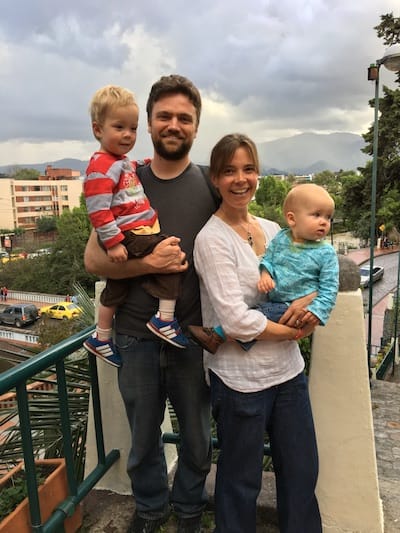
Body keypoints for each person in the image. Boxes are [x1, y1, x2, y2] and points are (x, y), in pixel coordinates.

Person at [84, 75, 223, 533]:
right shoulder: (126, 176)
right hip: (134, 335)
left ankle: (187, 512)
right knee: (143, 441)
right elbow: (92, 259)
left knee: (199, 439)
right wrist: (150, 265)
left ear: (196, 127)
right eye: (164, 116)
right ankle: (150, 511)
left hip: (191, 337)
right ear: (148, 122)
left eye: (184, 117)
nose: (174, 124)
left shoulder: (209, 185)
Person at [193, 133, 323, 533]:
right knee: (239, 484)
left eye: (248, 169)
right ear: (215, 178)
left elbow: (311, 277)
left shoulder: (273, 228)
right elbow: (235, 320)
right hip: (240, 383)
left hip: (288, 376)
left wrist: (312, 309)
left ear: (258, 175)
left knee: (302, 474)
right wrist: (288, 331)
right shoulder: (211, 240)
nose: (240, 179)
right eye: (229, 170)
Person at [83, 85, 189, 369]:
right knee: (171, 255)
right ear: (98, 129)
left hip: (129, 234)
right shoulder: (100, 167)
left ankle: (101, 337)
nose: (128, 135)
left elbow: (128, 169)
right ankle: (164, 318)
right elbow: (98, 209)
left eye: (132, 128)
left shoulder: (118, 162)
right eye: (119, 127)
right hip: (131, 234)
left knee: (116, 287)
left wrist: (144, 162)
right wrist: (114, 241)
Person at [189, 183, 339, 353]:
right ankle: (229, 335)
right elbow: (269, 258)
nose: (323, 222)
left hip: (291, 307)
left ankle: (217, 335)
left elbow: (330, 287)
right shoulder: (282, 237)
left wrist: (317, 310)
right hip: (278, 301)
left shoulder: (326, 252)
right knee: (258, 314)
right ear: (292, 219)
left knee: (262, 312)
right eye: (317, 215)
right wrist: (266, 274)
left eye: (328, 217)